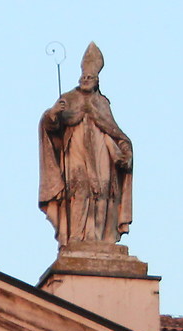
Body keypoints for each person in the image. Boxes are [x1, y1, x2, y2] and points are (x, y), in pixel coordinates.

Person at [37, 44, 135, 250]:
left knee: (102, 191)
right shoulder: (69, 99)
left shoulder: (102, 104)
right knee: (79, 190)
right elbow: (50, 126)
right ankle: (77, 237)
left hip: (102, 155)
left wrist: (125, 151)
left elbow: (115, 131)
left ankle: (101, 237)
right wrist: (54, 113)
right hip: (77, 152)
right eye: (84, 76)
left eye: (91, 77)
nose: (86, 79)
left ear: (97, 80)